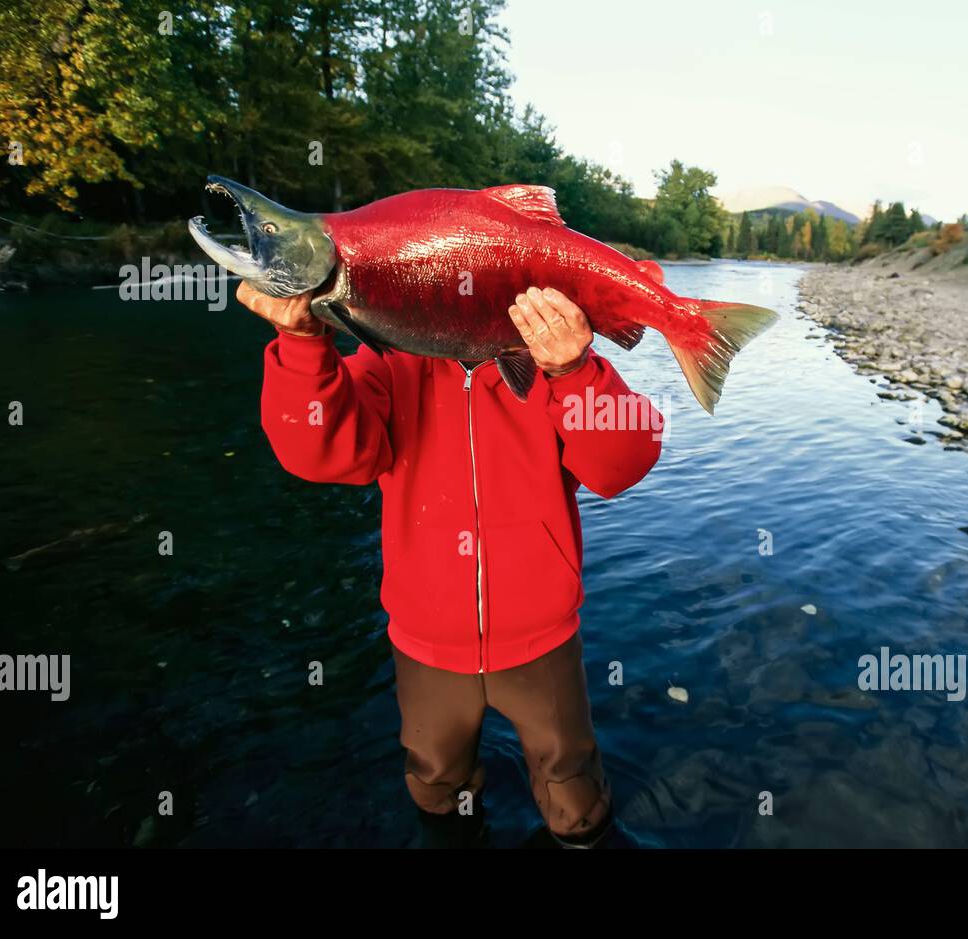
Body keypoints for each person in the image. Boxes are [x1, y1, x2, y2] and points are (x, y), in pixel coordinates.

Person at [236, 281, 663, 848]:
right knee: (436, 782)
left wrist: (575, 371)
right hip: (426, 644)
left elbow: (624, 463)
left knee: (573, 790)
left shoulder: (553, 362)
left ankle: (581, 836)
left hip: (542, 642)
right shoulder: (385, 365)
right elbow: (318, 450)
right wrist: (300, 343)